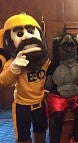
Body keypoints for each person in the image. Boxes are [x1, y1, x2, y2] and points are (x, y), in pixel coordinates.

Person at [0, 13, 50, 143]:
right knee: (23, 135)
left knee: (41, 130)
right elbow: (3, 82)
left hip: (40, 102)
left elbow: (51, 74)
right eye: (20, 34)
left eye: (30, 31)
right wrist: (13, 69)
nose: (27, 36)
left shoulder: (44, 60)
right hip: (22, 104)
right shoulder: (13, 62)